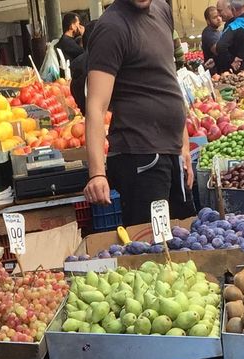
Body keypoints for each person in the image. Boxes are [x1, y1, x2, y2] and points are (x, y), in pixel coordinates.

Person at [83, 0, 195, 225]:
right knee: (149, 247)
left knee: (183, 242)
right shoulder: (112, 27)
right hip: (140, 156)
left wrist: (183, 147)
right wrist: (97, 173)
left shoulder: (163, 10)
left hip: (170, 153)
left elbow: (167, 78)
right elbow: (96, 105)